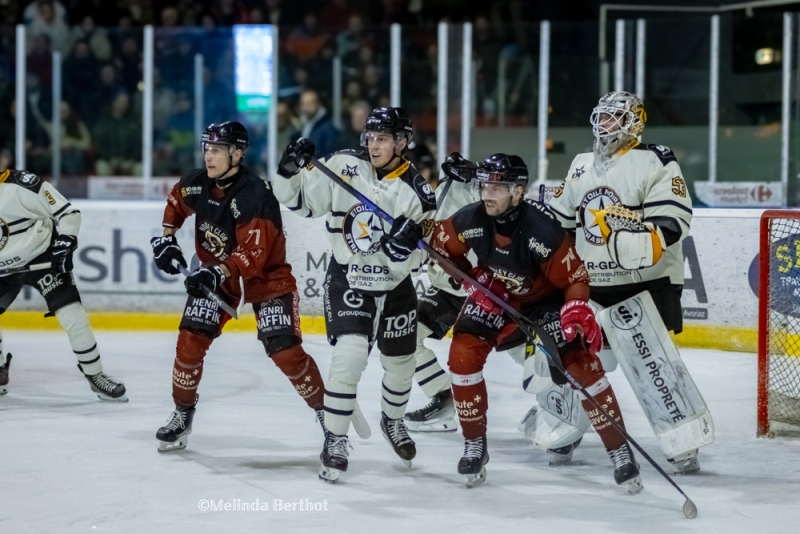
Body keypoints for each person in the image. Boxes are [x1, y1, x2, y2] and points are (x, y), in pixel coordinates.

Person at [430, 153, 642, 492]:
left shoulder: (541, 230)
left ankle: (620, 451)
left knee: (581, 367)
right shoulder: (471, 218)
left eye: (497, 188)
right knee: (462, 355)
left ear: (518, 191)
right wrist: (474, 278)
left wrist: (576, 307)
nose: (487, 194)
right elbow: (441, 245)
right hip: (500, 297)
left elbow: (575, 278)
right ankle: (474, 444)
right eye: (484, 185)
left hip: (545, 302)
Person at [272, 107, 437, 483]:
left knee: (400, 366)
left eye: (383, 139)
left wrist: (404, 251)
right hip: (348, 279)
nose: (374, 145)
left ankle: (392, 422)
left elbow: (419, 252)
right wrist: (287, 171)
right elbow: (302, 203)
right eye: (371, 137)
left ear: (402, 143)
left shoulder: (418, 191)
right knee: (347, 360)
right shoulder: (343, 165)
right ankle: (335, 438)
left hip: (395, 288)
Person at [546, 91, 702, 475]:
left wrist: (644, 241)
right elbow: (562, 222)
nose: (605, 124)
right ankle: (568, 425)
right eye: (601, 116)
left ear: (635, 121)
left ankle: (681, 439)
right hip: (590, 285)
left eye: (614, 117)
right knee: (576, 360)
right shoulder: (582, 164)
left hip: (644, 283)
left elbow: (674, 217)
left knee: (652, 365)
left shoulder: (656, 159)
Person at [149, 121, 327, 452]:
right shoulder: (197, 184)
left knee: (286, 352)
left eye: (217, 150)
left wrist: (215, 272)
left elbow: (254, 256)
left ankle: (329, 417)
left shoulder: (255, 195)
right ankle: (182, 414)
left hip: (268, 279)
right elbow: (176, 200)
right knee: (189, 342)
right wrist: (167, 239)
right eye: (206, 148)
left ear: (237, 153)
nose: (208, 156)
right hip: (220, 278)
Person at [0, 167, 126, 401]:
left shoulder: (25, 185)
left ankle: (95, 375)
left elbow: (68, 213)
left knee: (72, 314)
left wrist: (65, 240)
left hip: (41, 258)